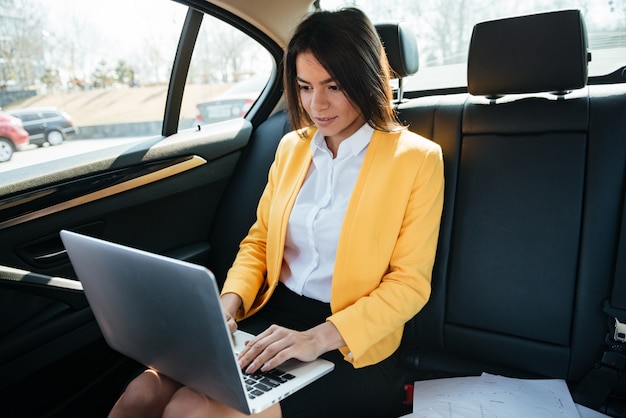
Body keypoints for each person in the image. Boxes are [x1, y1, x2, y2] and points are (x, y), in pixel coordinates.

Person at [108, 7, 444, 418]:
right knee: (144, 391)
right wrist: (226, 306)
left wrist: (317, 338)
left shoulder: (417, 160)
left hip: (350, 341)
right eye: (304, 87)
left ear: (365, 79)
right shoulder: (292, 148)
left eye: (333, 86)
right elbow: (260, 240)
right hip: (270, 317)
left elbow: (409, 285)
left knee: (190, 410)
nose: (315, 104)